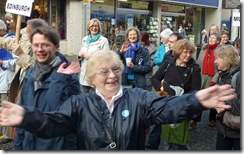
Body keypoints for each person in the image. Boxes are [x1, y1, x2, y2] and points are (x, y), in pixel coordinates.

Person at [0, 49, 235, 150]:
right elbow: (53, 124)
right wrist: (25, 116)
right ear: (92, 78)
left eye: (115, 69)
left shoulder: (137, 98)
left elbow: (167, 107)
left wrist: (197, 100)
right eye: (104, 71)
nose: (112, 75)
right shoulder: (79, 103)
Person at [13, 25, 81, 150]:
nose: (39, 49)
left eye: (45, 45)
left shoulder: (69, 77)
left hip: (55, 146)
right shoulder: (30, 75)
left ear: (56, 47)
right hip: (30, 144)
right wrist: (18, 144)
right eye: (36, 45)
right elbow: (22, 115)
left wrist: (59, 80)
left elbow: (64, 118)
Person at [0, 19, 49, 143]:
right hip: (22, 85)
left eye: (26, 33)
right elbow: (9, 43)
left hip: (34, 90)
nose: (23, 37)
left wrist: (21, 54)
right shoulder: (28, 42)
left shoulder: (45, 47)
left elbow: (38, 69)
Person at [151, 39, 201, 150]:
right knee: (167, 139)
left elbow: (195, 90)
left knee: (179, 141)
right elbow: (155, 78)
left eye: (190, 52)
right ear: (178, 52)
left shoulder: (194, 68)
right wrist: (162, 89)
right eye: (185, 52)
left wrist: (181, 97)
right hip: (167, 105)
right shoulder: (169, 63)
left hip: (182, 106)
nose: (188, 55)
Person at [214, 45, 240, 150]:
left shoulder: (239, 77)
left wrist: (222, 101)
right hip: (223, 130)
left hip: (237, 134)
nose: (215, 61)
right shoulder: (222, 75)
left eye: (217, 58)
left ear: (226, 59)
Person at [78, 18, 110, 93]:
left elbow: (106, 58)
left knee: (95, 102)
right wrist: (79, 56)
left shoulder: (103, 40)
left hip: (96, 76)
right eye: (92, 26)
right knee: (84, 101)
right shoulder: (85, 39)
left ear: (99, 28)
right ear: (89, 28)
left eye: (96, 26)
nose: (94, 28)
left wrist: (91, 57)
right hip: (84, 76)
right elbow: (82, 52)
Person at [196, 32, 221, 127]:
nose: (211, 39)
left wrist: (214, 80)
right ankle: (195, 119)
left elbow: (220, 68)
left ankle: (212, 119)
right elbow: (198, 63)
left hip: (213, 77)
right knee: (199, 98)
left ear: (218, 41)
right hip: (202, 77)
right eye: (210, 37)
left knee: (213, 99)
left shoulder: (220, 51)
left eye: (214, 38)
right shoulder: (203, 49)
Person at [0, 19, 17, 144]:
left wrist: (3, 63)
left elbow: (18, 63)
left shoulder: (13, 41)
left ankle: (8, 134)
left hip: (7, 79)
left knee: (6, 105)